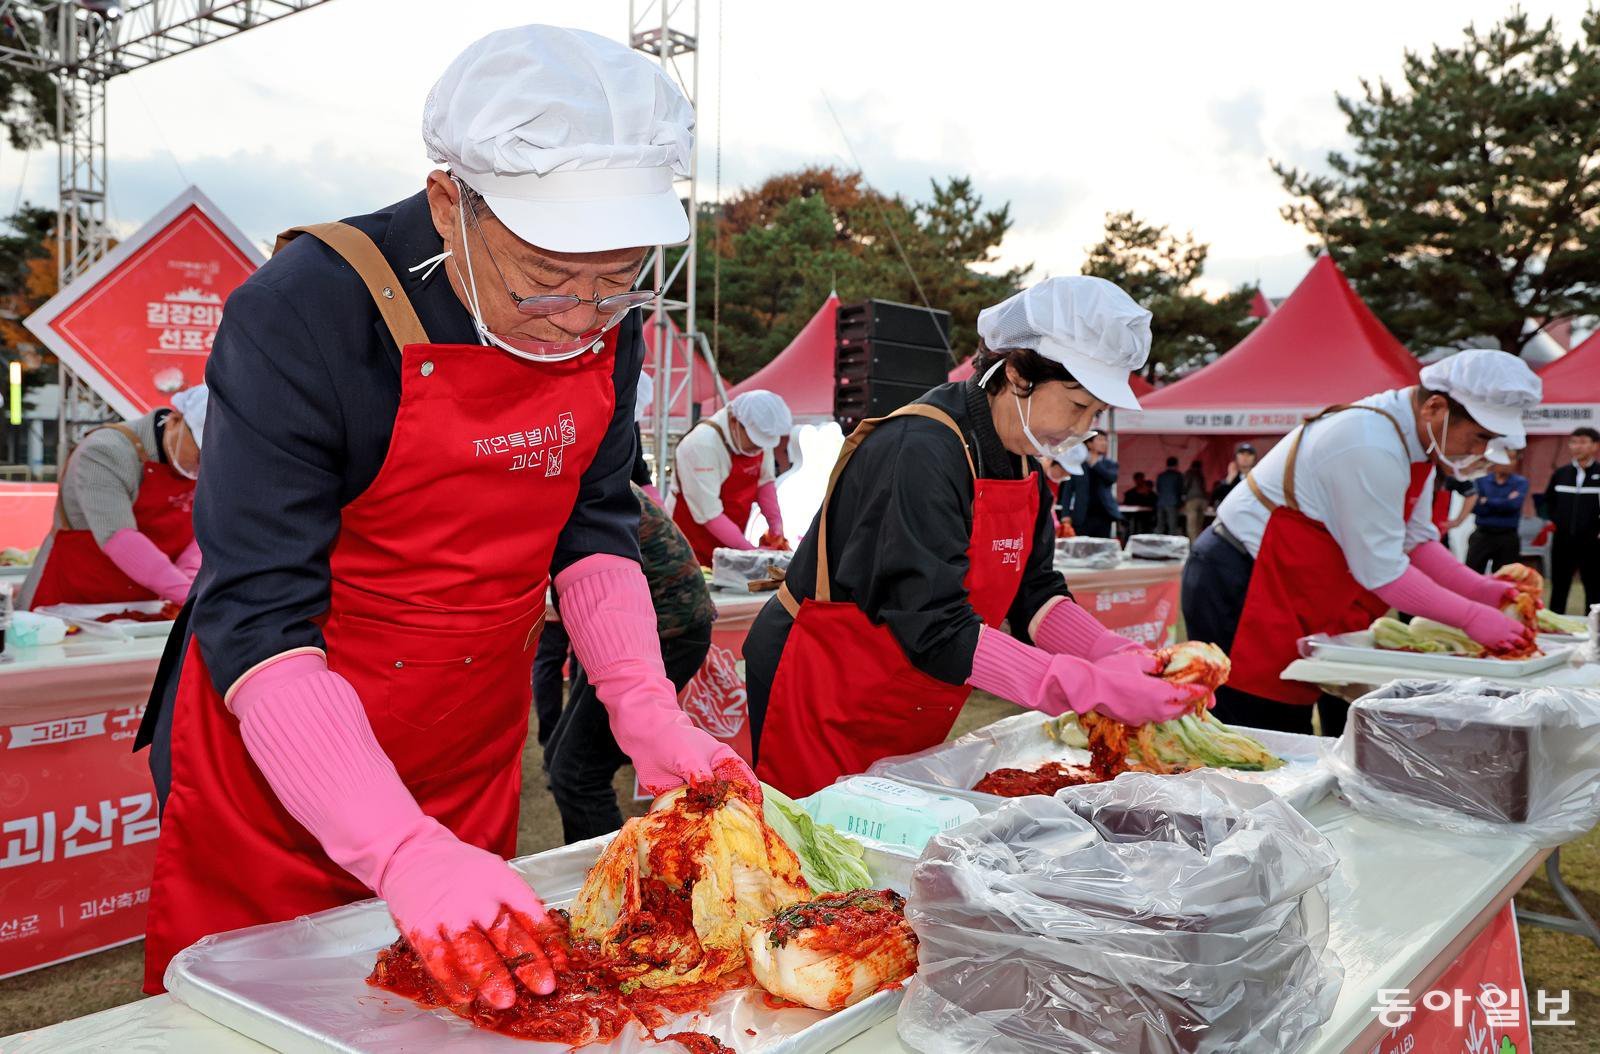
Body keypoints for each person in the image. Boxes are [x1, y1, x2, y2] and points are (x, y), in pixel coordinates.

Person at [134, 26, 755, 1004]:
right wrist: (396, 847)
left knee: (459, 1006)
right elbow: (257, 610)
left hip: (463, 737)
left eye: (617, 282)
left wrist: (643, 705)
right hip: (286, 747)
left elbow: (592, 520)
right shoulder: (304, 311)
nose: (579, 318)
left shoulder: (603, 320)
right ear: (447, 203)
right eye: (542, 283)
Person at [741, 277, 1209, 798]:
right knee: (820, 835)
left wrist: (1109, 651)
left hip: (907, 691)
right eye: (1078, 405)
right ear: (1017, 374)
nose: (1082, 427)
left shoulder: (1022, 462)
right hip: (824, 686)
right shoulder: (921, 449)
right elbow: (936, 626)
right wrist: (1083, 686)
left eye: (1095, 414)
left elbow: (1035, 593)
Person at [1181, 349, 1541, 736]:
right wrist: (1470, 617)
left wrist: (1481, 590)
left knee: (1295, 713)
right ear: (1435, 408)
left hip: (1291, 583)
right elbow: (1384, 573)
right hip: (1241, 579)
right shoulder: (1368, 444)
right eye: (1480, 436)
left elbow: (1416, 541)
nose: (1480, 451)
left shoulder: (1417, 443)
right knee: (1263, 723)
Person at [544, 481, 716, 843]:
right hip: (622, 625)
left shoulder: (574, 486)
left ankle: (619, 871)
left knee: (578, 774)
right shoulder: (574, 480)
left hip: (666, 630)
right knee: (563, 761)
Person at [20, 387, 207, 610]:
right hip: (73, 601)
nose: (205, 462)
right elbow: (119, 538)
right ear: (175, 420)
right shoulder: (104, 451)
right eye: (199, 451)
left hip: (147, 605)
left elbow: (202, 534)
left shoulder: (204, 466)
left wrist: (189, 582)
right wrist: (186, 594)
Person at [668, 389, 793, 564]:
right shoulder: (701, 444)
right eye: (755, 441)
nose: (758, 449)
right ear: (735, 421)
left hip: (730, 541)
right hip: (689, 545)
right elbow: (709, 514)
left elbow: (765, 482)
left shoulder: (758, 439)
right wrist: (750, 552)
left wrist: (776, 527)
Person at [1544, 426, 1600, 613]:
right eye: (1573, 442)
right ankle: (1554, 623)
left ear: (1595, 446)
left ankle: (1594, 626)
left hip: (1593, 542)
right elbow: (1548, 502)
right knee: (1559, 585)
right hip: (1563, 540)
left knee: (1594, 587)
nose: (1577, 447)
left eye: (1583, 442)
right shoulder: (1561, 473)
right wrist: (1555, 521)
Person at [1464, 448, 1527, 574]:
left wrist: (1487, 501)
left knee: (1506, 577)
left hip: (1507, 536)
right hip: (1483, 534)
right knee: (1472, 574)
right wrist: (1505, 501)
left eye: (1512, 458)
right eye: (1504, 458)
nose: (1507, 462)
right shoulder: (1481, 482)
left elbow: (1513, 505)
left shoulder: (1520, 482)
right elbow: (1476, 508)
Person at [1069, 432, 1121, 538]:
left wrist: (1095, 464)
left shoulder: (1110, 463)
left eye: (1105, 440)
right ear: (1089, 444)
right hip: (1082, 514)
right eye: (1100, 439)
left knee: (1103, 545)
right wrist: (1065, 514)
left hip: (1103, 514)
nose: (1104, 443)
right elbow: (1068, 489)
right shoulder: (1078, 464)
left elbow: (1111, 479)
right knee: (1081, 545)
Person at [1210, 442, 1256, 507]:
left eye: (1249, 454)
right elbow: (1217, 498)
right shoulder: (1230, 479)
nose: (1245, 457)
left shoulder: (1258, 478)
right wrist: (1229, 480)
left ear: (1254, 459)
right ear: (1236, 458)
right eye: (1242, 454)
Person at [1154, 457, 1184, 536]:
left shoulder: (1161, 475)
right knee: (1172, 526)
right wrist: (1181, 502)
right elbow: (1180, 490)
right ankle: (1171, 542)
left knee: (1160, 525)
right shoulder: (1178, 475)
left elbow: (1158, 489)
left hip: (1161, 502)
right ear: (1176, 464)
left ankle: (1157, 542)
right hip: (1173, 502)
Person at [1182, 458, 1208, 539]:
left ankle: (1193, 544)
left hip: (1192, 500)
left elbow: (1185, 485)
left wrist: (1183, 495)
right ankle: (1199, 542)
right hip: (1203, 500)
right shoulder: (1201, 474)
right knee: (1199, 525)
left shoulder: (1189, 473)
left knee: (1192, 525)